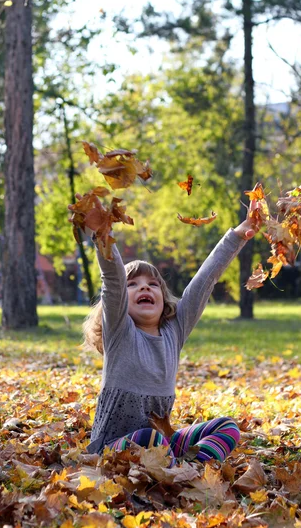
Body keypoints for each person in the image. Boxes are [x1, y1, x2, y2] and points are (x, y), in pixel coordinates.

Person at [81, 198, 259, 464]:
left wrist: (237, 235)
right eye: (134, 285)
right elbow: (113, 280)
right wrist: (102, 234)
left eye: (153, 284)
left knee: (227, 427)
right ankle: (176, 473)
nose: (145, 288)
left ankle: (194, 469)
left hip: (161, 443)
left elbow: (204, 280)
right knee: (150, 439)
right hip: (113, 450)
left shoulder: (175, 331)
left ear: (164, 298)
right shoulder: (120, 331)